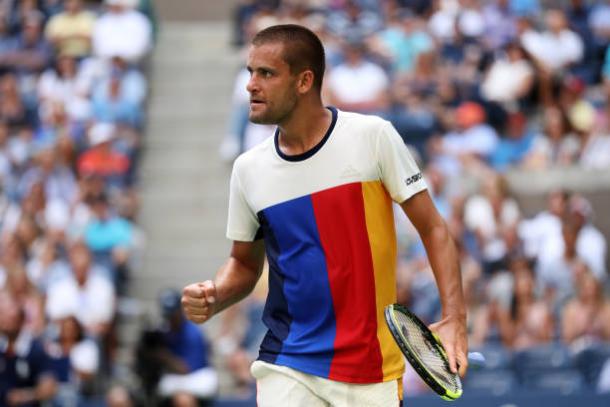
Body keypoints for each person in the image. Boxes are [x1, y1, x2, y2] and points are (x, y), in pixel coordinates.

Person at [182, 24, 467, 407]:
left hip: (372, 368)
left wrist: (454, 318)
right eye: (250, 72)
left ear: (304, 81)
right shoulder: (248, 169)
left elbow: (433, 229)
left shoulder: (373, 136)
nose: (250, 85)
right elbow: (244, 265)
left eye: (265, 73)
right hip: (289, 361)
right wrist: (216, 295)